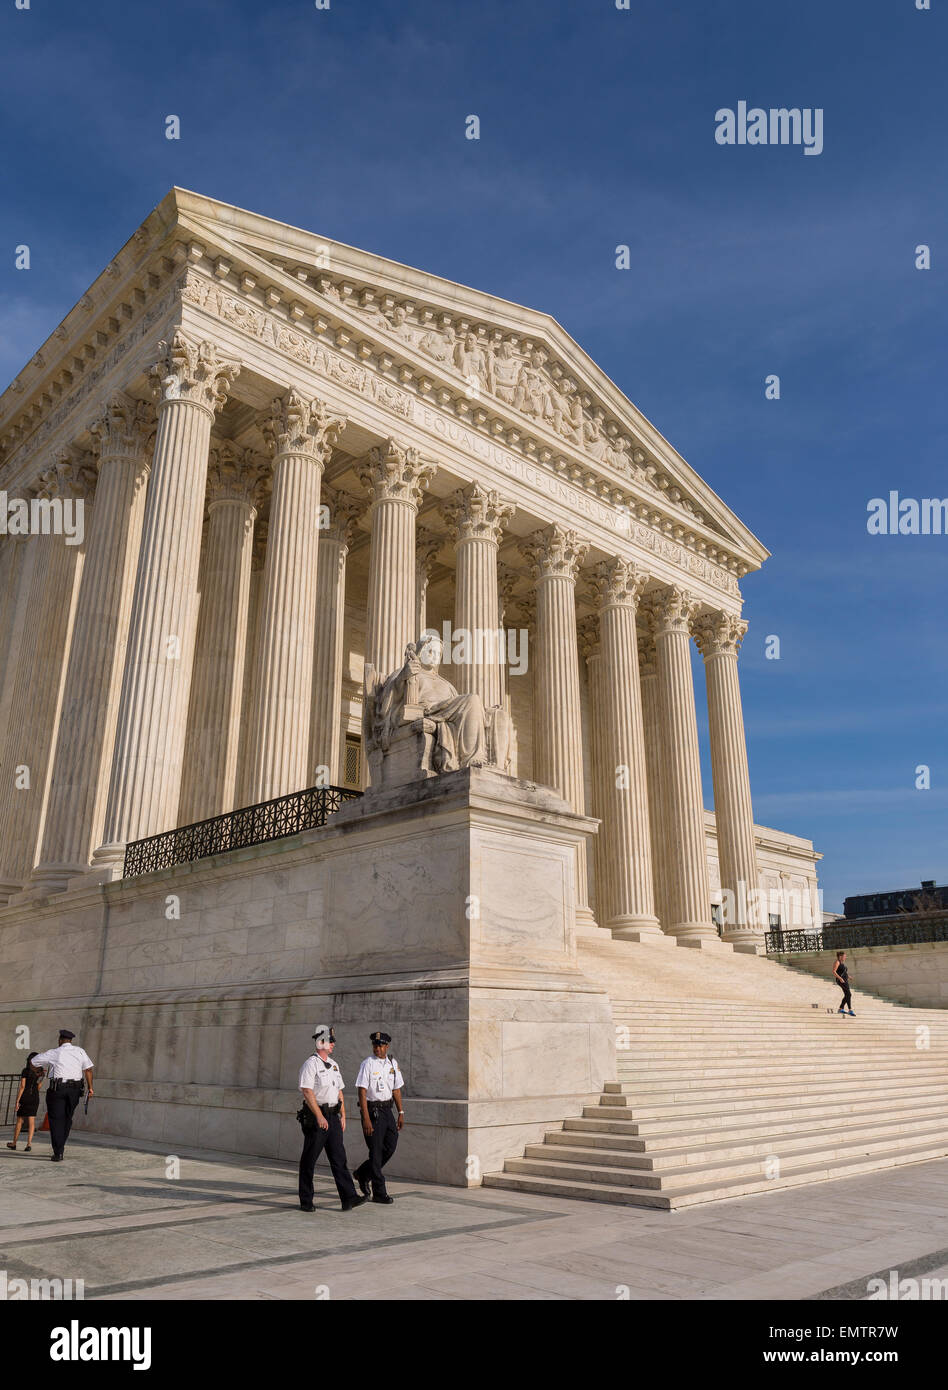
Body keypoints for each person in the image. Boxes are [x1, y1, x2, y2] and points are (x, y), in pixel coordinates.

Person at [297, 1025, 366, 1214]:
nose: (333, 1044)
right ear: (321, 1043)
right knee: (309, 1159)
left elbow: (339, 1091)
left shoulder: (334, 1065)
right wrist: (319, 1116)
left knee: (339, 1158)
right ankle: (306, 1200)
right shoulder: (311, 1064)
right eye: (330, 1040)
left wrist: (343, 1114)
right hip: (316, 1116)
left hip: (333, 1117)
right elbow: (307, 1090)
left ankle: (349, 1198)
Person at [354, 1032, 405, 1205]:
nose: (377, 1048)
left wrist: (401, 1112)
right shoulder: (367, 1064)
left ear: (387, 1047)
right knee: (375, 1152)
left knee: (390, 1146)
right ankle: (379, 1192)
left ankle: (363, 1173)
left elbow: (396, 1090)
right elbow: (361, 1091)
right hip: (372, 1111)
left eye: (380, 1045)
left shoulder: (392, 1063)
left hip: (387, 1111)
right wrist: (366, 1118)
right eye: (375, 1045)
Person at [30, 1029, 94, 1161]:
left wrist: (39, 1071)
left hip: (57, 1089)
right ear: (70, 1041)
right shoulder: (80, 1051)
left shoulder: (55, 1052)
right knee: (67, 1119)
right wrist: (91, 1088)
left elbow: (33, 1062)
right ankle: (60, 1148)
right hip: (75, 1090)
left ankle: (58, 1151)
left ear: (60, 1040)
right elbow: (88, 1069)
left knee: (55, 1120)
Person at [5, 1052, 44, 1152]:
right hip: (35, 1097)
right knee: (31, 1122)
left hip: (25, 1097)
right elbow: (39, 1087)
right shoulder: (40, 1072)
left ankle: (14, 1143)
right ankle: (29, 1144)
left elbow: (22, 1087)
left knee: (20, 1121)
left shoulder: (25, 1071)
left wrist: (17, 1101)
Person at [834, 950, 855, 1016]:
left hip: (845, 980)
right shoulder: (837, 962)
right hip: (841, 980)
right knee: (849, 994)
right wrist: (840, 978)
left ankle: (841, 1009)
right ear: (840, 956)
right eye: (844, 956)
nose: (845, 957)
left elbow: (844, 972)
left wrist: (849, 976)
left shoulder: (842, 963)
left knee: (847, 995)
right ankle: (850, 1009)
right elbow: (834, 971)